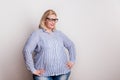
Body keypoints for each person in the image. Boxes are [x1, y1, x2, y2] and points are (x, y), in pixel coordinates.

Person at [23, 9, 76, 80]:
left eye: (55, 20)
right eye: (51, 19)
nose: (53, 22)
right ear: (44, 20)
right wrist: (32, 69)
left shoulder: (59, 33)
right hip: (43, 75)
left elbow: (71, 45)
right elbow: (26, 50)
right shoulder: (37, 34)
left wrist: (72, 60)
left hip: (63, 72)